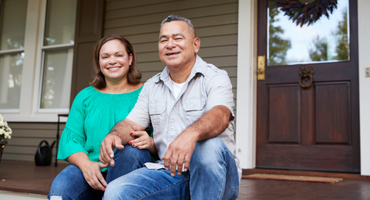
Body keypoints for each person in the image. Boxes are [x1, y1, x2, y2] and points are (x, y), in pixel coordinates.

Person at [100, 15, 241, 200]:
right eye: (163, 40)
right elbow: (130, 123)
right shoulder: (152, 86)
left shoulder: (215, 77)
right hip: (171, 174)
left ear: (195, 45)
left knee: (207, 147)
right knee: (115, 191)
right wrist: (115, 135)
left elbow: (220, 115)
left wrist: (191, 135)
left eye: (178, 38)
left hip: (217, 176)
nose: (170, 44)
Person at [48, 35, 155, 200]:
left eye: (118, 55)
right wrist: (87, 166)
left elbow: (164, 139)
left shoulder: (148, 93)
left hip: (131, 169)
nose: (112, 61)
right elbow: (71, 141)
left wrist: (150, 142)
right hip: (91, 166)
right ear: (99, 62)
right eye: (105, 57)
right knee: (60, 192)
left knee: (132, 153)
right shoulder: (85, 96)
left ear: (130, 58)